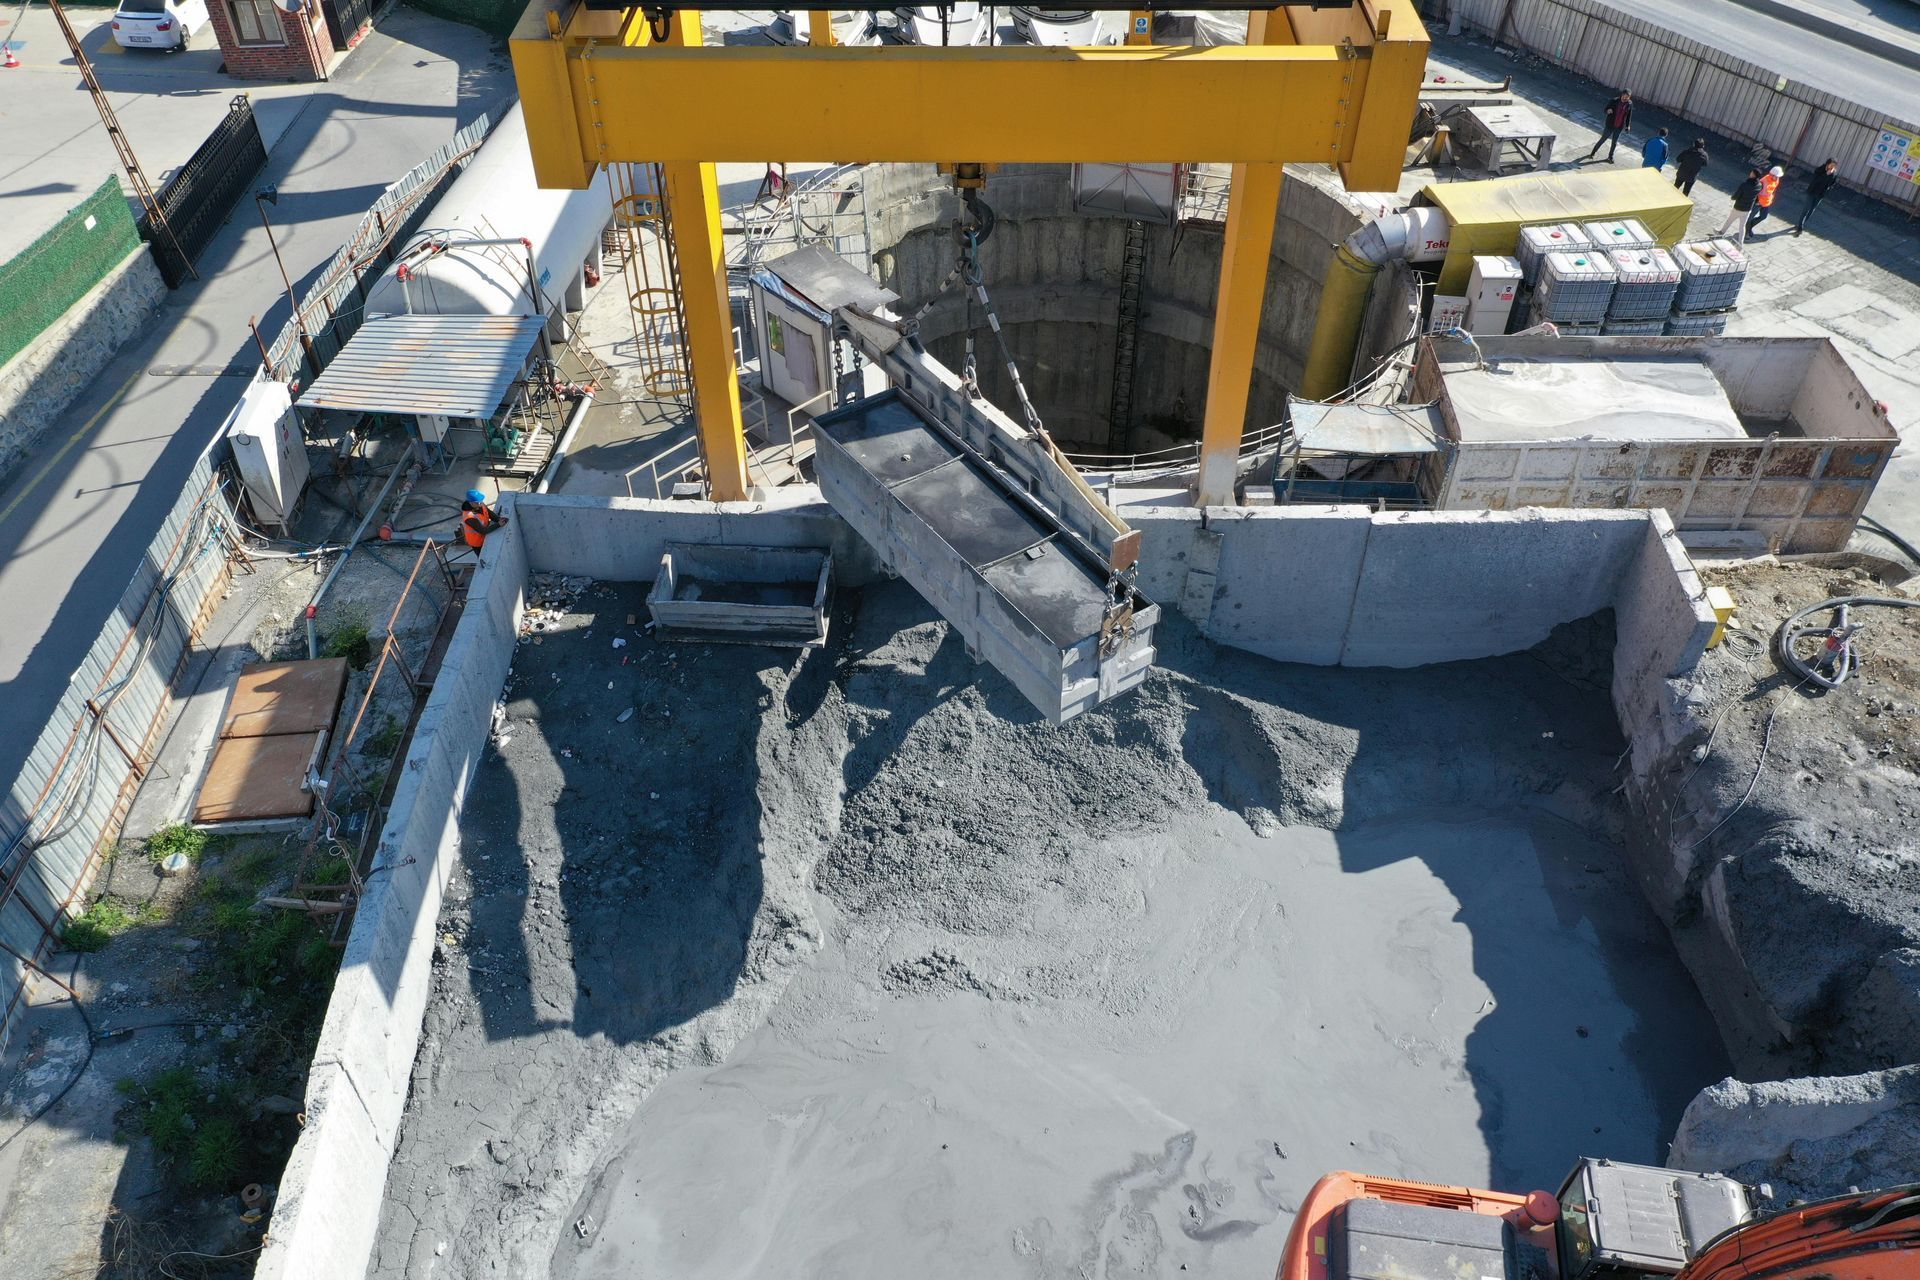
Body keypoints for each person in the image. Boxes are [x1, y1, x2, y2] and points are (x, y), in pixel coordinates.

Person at [1716, 169, 1762, 245]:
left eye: (1751, 172)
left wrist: (1732, 197)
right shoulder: (1759, 185)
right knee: (1742, 226)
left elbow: (1736, 195)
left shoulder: (1745, 184)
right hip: (1748, 209)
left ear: (1753, 175)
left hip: (1739, 207)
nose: (1750, 173)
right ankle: (1740, 243)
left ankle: (1721, 233)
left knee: (1729, 220)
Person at [1586, 89, 1633, 162]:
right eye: (1624, 96)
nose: (1625, 98)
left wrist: (1628, 126)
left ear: (1629, 97)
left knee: (1614, 143)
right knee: (1603, 139)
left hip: (1619, 126)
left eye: (1627, 97)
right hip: (1610, 125)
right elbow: (1605, 109)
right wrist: (1608, 111)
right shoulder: (1614, 101)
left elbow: (1629, 115)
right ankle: (1593, 153)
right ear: (1622, 95)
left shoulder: (1629, 104)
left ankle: (1610, 157)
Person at [1795, 159, 1840, 234]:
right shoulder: (1820, 170)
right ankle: (1800, 227)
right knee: (1806, 208)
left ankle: (1802, 224)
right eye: (1831, 165)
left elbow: (1832, 184)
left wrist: (1830, 180)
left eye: (1834, 166)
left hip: (1820, 194)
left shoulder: (1834, 174)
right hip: (1812, 192)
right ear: (1827, 164)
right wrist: (1826, 174)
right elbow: (1816, 180)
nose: (1832, 167)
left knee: (1812, 210)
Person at [459, 488, 509, 553]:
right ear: (471, 503)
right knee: (483, 556)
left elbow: (488, 512)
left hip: (485, 535)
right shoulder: (469, 517)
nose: (480, 503)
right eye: (477, 502)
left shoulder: (479, 503)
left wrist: (498, 519)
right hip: (477, 542)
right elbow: (483, 531)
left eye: (480, 501)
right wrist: (498, 524)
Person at [1746, 165, 1783, 237]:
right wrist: (1755, 201)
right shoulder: (1763, 181)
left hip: (1766, 202)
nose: (1778, 177)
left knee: (1763, 216)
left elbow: (1773, 190)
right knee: (1750, 217)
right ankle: (1746, 231)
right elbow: (1756, 191)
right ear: (1772, 175)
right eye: (1777, 176)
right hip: (1758, 202)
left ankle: (1749, 227)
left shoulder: (1776, 180)